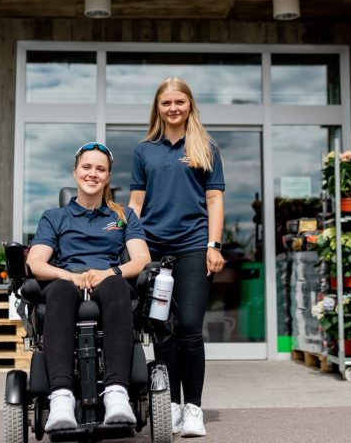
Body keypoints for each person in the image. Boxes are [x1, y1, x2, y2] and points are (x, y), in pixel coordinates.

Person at [26, 141, 151, 432]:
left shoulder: (123, 216)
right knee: (58, 292)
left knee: (119, 287)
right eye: (86, 167)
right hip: (69, 281)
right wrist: (68, 276)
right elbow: (35, 262)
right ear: (75, 172)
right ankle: (61, 398)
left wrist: (109, 272)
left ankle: (117, 394)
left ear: (107, 177)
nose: (92, 174)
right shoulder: (54, 217)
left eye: (100, 169)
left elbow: (142, 258)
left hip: (108, 280)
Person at [128, 77, 225, 438]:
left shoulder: (205, 146)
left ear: (189, 105)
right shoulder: (144, 150)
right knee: (161, 329)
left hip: (192, 248)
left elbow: (214, 199)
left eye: (179, 102)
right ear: (158, 107)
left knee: (187, 327)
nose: (173, 108)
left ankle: (193, 408)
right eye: (166, 103)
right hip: (153, 250)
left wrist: (214, 245)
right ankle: (169, 404)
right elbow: (136, 202)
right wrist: (131, 241)